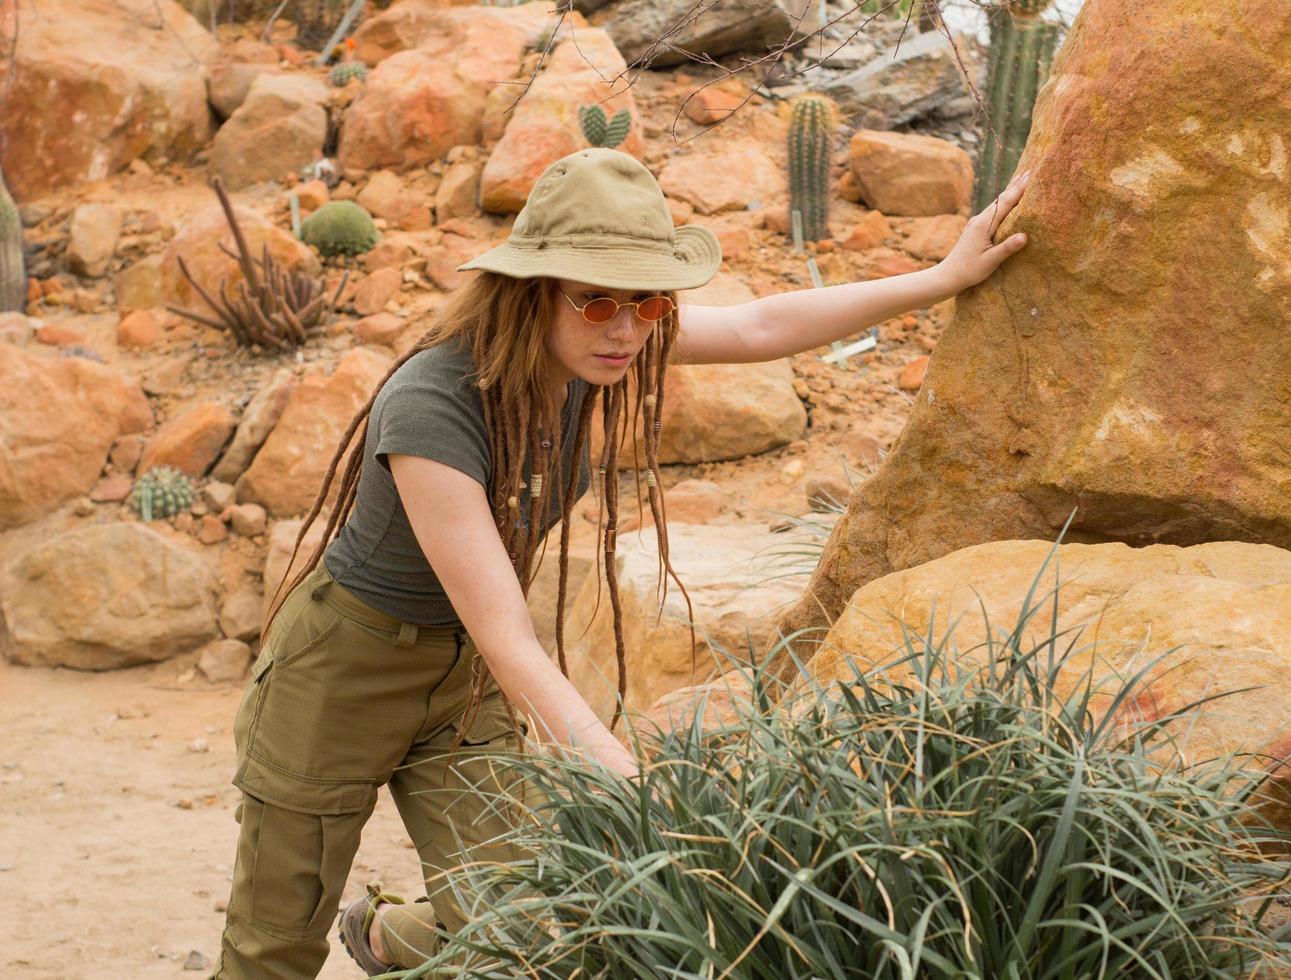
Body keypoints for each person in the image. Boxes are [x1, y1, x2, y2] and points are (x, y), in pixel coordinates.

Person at [209, 146, 1030, 978]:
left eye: (645, 301)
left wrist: (939, 278)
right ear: (529, 292)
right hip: (342, 673)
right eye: (596, 300)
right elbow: (508, 634)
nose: (626, 328)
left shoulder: (595, 351)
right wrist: (624, 778)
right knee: (273, 946)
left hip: (456, 682)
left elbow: (758, 326)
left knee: (537, 913)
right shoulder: (432, 404)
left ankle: (393, 940)